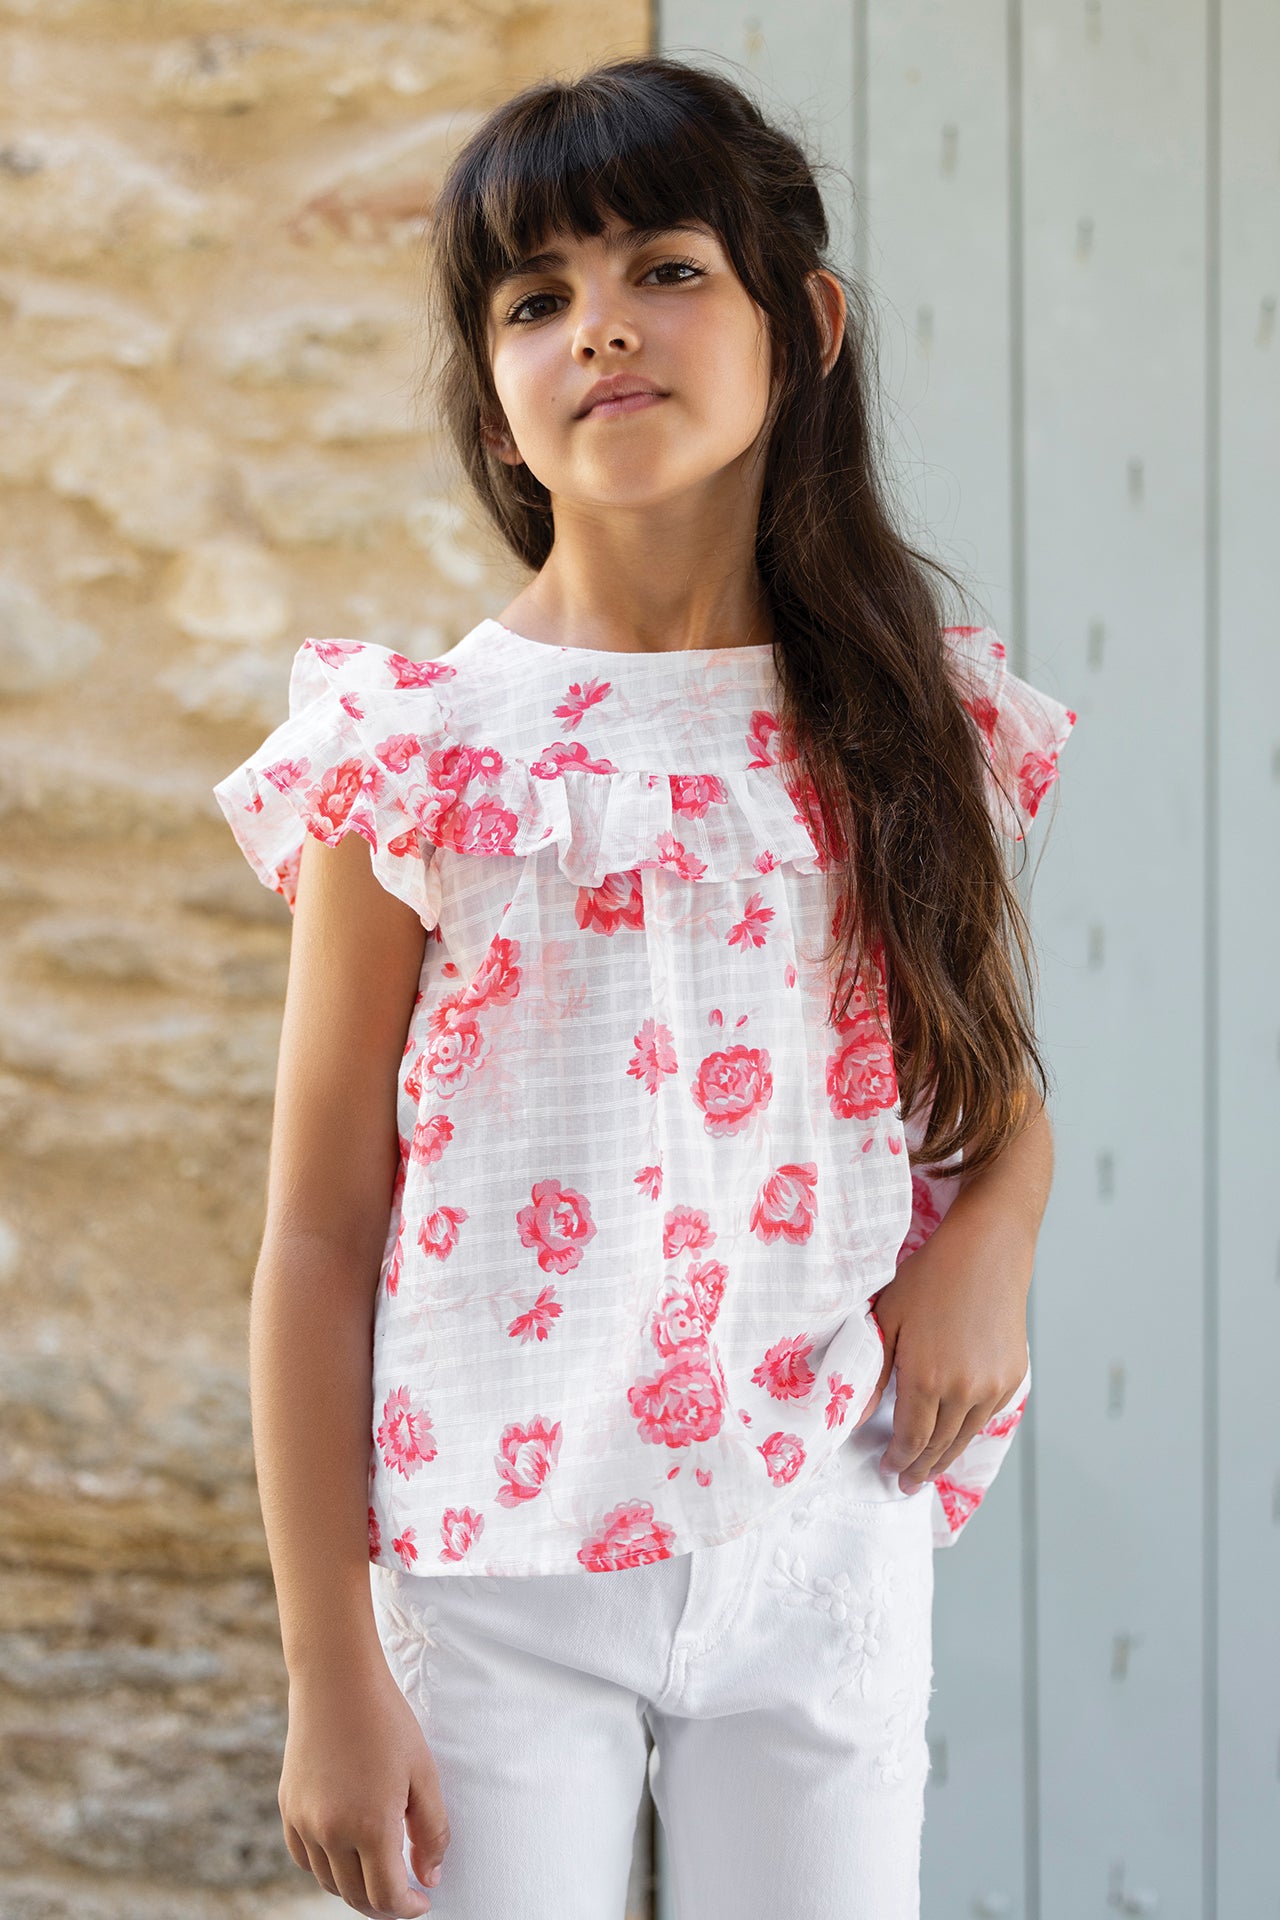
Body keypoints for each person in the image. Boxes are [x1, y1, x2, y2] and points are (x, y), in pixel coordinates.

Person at [212, 53, 1077, 1920]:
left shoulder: (902, 724)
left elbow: (988, 1080)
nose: (600, 325)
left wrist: (996, 1235)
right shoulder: (420, 756)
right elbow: (318, 1233)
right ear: (496, 400)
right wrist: (328, 1670)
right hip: (491, 1572)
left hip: (825, 1524)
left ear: (805, 326)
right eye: (537, 300)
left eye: (665, 269)